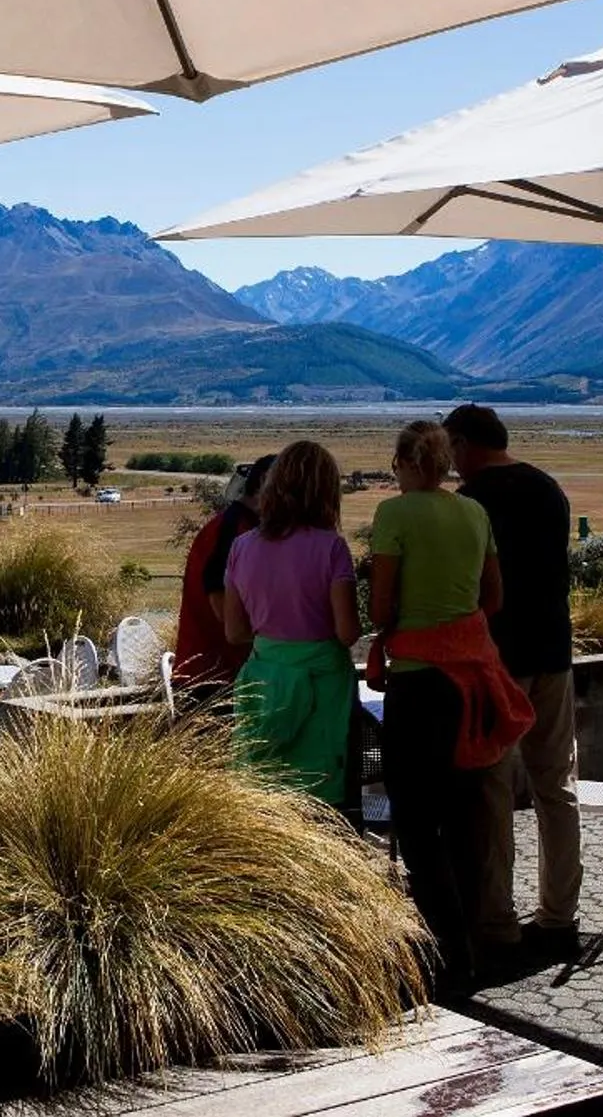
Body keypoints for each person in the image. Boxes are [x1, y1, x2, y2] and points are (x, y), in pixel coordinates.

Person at [369, 420, 535, 995]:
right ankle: (470, 945)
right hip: (473, 683)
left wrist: (410, 626)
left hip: (419, 684)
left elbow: (381, 608)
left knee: (415, 821)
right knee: (465, 819)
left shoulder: (395, 516)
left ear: (405, 463)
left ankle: (440, 949)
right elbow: (494, 598)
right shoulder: (473, 513)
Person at [446, 403, 581, 953]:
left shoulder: (472, 503)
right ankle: (558, 915)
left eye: (451, 448)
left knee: (493, 790)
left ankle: (497, 919)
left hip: (497, 662)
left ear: (463, 444)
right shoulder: (549, 490)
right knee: (556, 787)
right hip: (554, 652)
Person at [222, 441, 359, 804]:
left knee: (261, 793)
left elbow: (234, 632)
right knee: (320, 800)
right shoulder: (332, 549)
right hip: (322, 691)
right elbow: (347, 633)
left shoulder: (242, 547)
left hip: (263, 682)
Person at [171, 453, 275, 701]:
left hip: (223, 674)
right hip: (213, 679)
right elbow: (225, 613)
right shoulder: (232, 533)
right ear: (265, 482)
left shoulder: (238, 527)